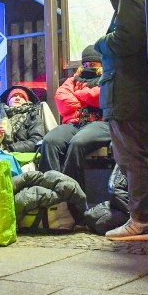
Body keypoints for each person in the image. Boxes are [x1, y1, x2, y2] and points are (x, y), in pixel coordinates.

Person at [94, 0, 148, 241]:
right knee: (143, 155)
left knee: (131, 157)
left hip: (126, 92)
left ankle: (141, 219)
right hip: (141, 90)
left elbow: (124, 40)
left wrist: (101, 42)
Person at [39, 45, 111, 191]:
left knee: (77, 143)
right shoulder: (72, 80)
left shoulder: (108, 77)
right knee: (50, 141)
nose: (87, 67)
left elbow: (102, 96)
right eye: (85, 64)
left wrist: (80, 93)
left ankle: (72, 193)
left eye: (92, 64)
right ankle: (52, 190)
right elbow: (62, 98)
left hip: (100, 122)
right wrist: (87, 98)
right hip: (75, 122)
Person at [0, 86, 45, 153]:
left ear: (26, 101)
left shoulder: (32, 117)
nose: (18, 98)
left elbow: (37, 141)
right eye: (14, 96)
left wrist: (10, 149)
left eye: (22, 97)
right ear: (8, 101)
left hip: (21, 158)